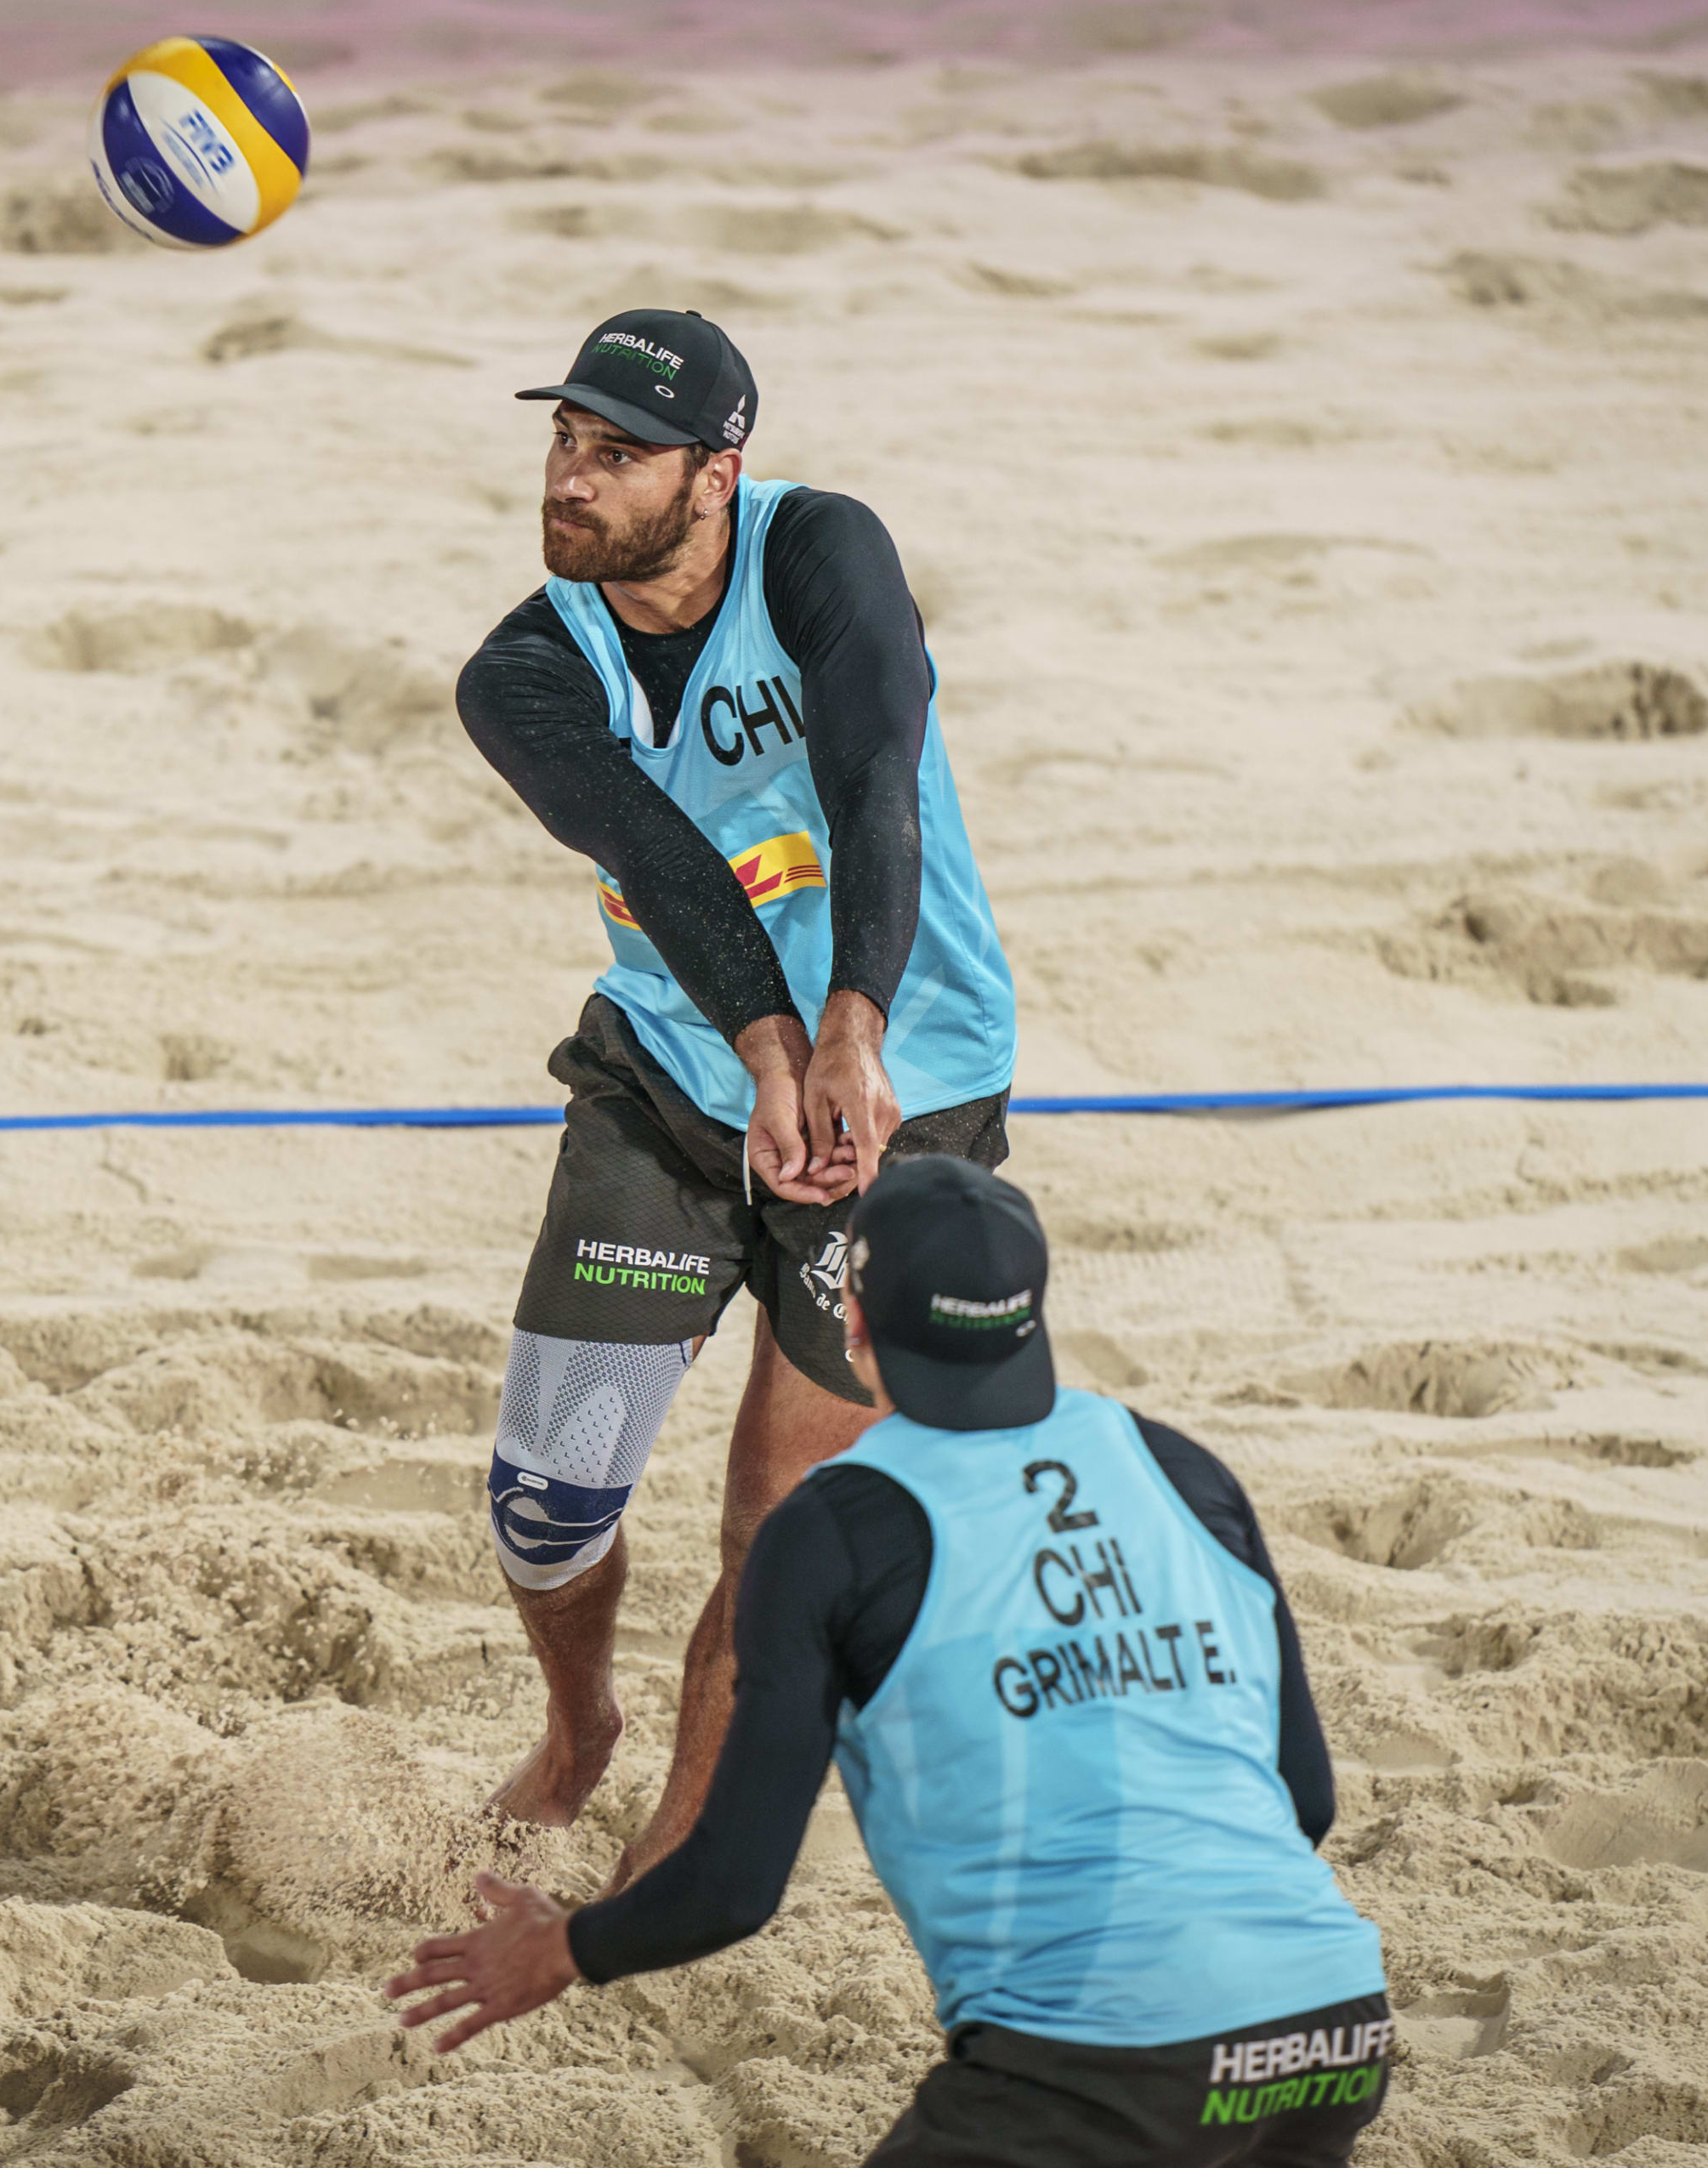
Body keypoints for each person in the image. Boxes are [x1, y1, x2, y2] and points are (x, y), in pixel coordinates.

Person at [387, 1157, 1396, 2168]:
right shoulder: (1183, 1467)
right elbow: (1303, 1801)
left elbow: (734, 1888)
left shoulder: (834, 1528)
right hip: (1333, 2029)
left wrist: (563, 1947)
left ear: (854, 1327)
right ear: (1032, 1313)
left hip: (1098, 2058)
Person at [457, 307, 1022, 1887]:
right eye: (564, 443)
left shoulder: (823, 554)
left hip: (919, 1091)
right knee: (546, 1500)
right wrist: (776, 1052)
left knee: (777, 1512)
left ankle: (679, 1842)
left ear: (718, 473)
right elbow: (666, 865)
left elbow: (874, 776)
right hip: (671, 1080)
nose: (572, 480)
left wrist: (851, 1036)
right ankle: (582, 1725)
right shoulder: (520, 672)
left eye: (616, 455)